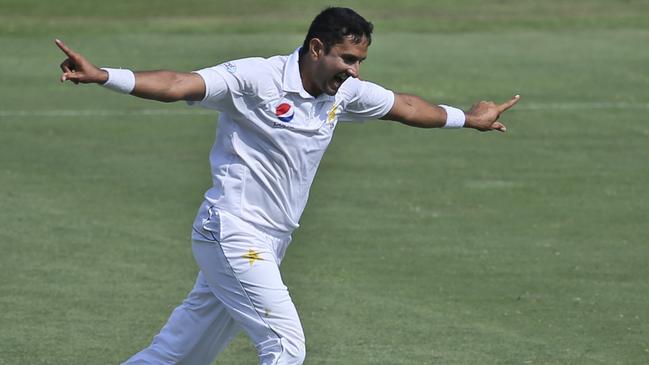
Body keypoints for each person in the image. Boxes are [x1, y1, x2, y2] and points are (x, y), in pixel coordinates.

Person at [55, 7, 519, 365]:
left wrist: (468, 120)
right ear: (317, 48)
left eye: (360, 61)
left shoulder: (344, 92)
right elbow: (179, 83)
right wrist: (104, 77)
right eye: (348, 59)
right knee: (285, 347)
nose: (355, 70)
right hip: (233, 232)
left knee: (177, 356)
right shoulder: (257, 78)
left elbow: (406, 106)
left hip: (270, 241)